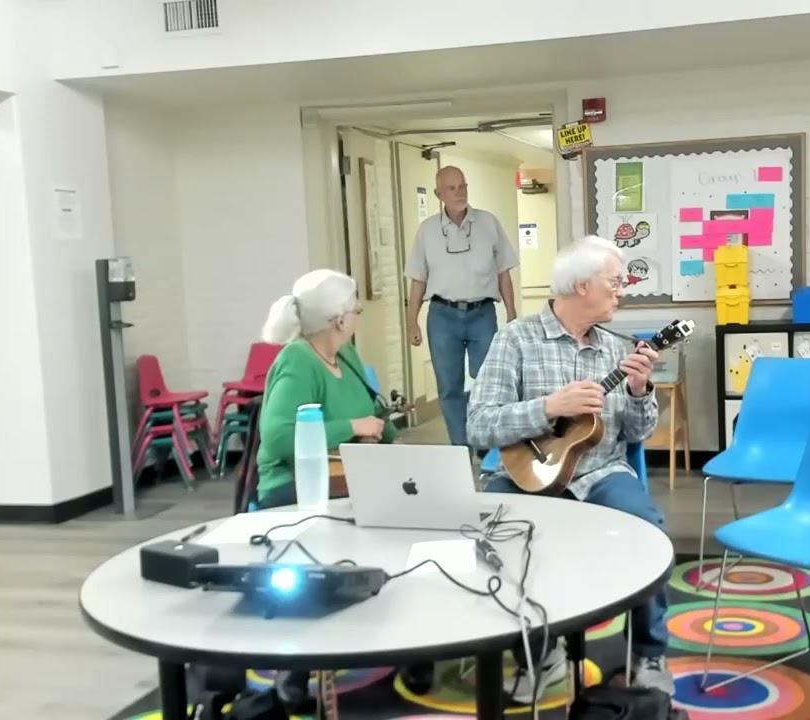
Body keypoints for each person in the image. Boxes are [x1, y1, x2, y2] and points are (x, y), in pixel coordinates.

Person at [466, 235, 673, 704]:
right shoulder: (515, 339)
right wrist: (547, 407)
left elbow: (638, 431)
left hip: (600, 473)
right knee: (500, 536)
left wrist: (641, 391)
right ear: (581, 285)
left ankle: (649, 653)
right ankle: (539, 655)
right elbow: (477, 425)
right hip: (527, 474)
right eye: (615, 281)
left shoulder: (615, 349)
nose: (622, 290)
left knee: (649, 531)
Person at [254, 269, 433, 711]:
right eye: (353, 310)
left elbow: (376, 415)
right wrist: (351, 428)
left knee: (417, 522)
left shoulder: (347, 356)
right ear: (337, 319)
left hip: (351, 478)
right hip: (294, 485)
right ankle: (298, 664)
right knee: (359, 531)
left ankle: (411, 645)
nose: (356, 316)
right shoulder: (297, 360)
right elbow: (277, 437)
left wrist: (399, 452)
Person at [404, 166, 519, 448]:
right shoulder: (428, 231)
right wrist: (411, 322)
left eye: (463, 186)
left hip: (482, 313)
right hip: (442, 316)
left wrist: (512, 313)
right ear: (438, 194)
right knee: (449, 387)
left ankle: (485, 440)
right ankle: (461, 444)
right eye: (452, 188)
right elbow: (418, 280)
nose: (459, 193)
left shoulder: (488, 223)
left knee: (487, 379)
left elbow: (504, 270)